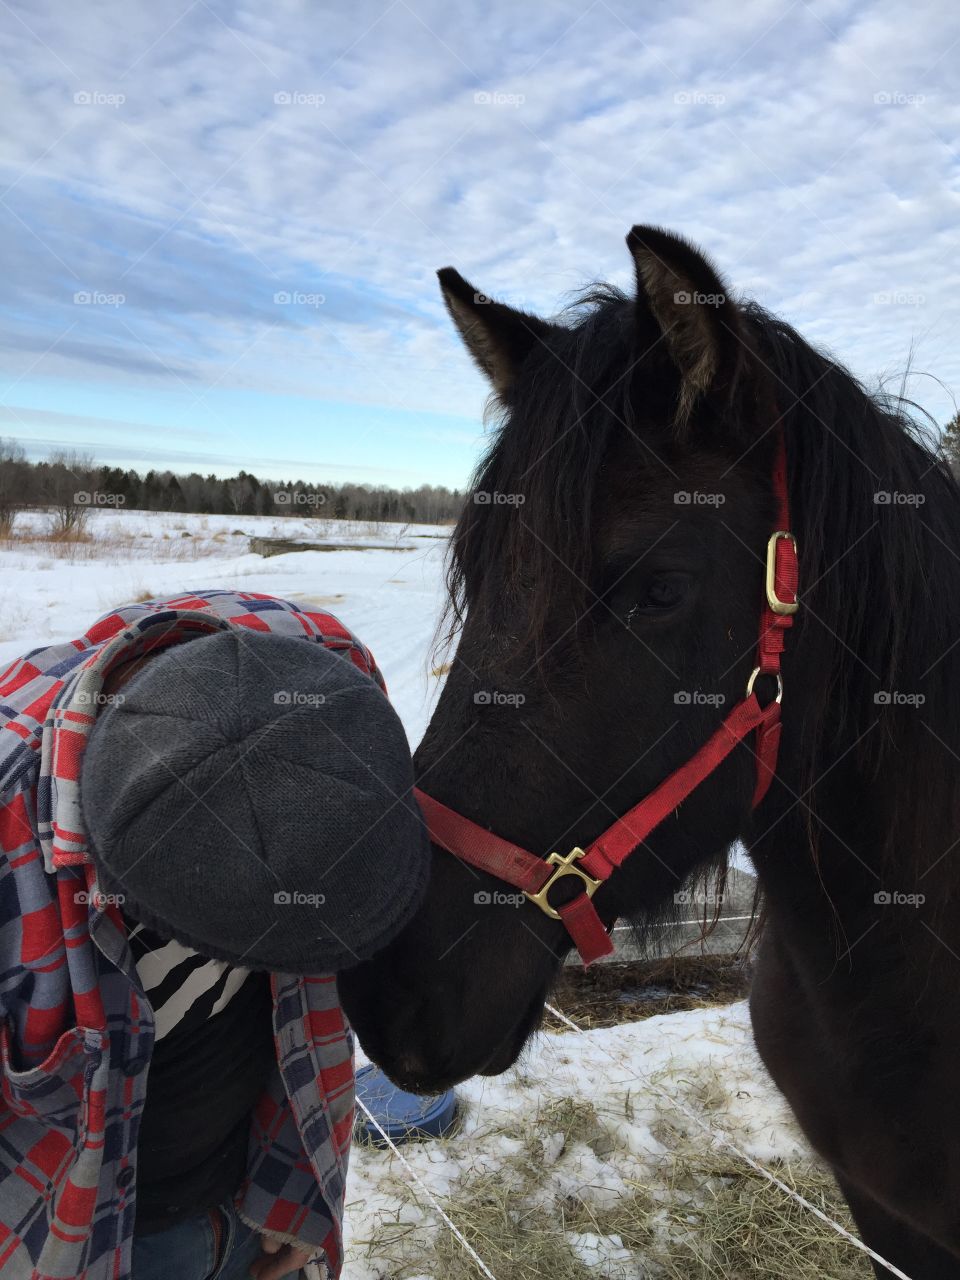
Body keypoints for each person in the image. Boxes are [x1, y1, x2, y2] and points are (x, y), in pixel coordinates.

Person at [0, 589, 430, 1280]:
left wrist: (306, 1192)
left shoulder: (326, 672)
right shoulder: (13, 866)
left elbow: (307, 1012)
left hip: (253, 1196)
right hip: (92, 1243)